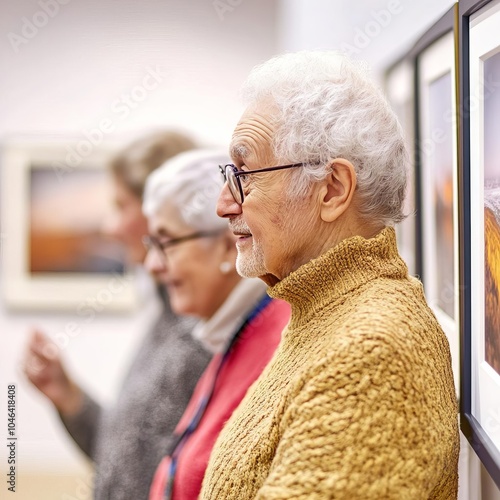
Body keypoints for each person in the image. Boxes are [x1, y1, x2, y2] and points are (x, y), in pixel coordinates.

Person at [200, 51, 460, 499]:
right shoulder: (323, 314)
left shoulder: (374, 352)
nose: (224, 204)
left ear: (333, 189)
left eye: (244, 174)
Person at [24, 131, 212, 500]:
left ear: (160, 209)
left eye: (120, 206)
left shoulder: (206, 331)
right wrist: (69, 396)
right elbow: (124, 461)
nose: (109, 227)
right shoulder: (166, 316)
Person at [142, 149, 290, 500]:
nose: (151, 264)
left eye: (165, 243)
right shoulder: (230, 331)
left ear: (226, 247)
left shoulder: (276, 339)